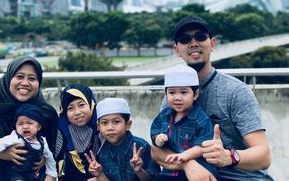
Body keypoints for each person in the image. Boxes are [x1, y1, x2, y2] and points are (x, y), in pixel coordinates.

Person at [153, 16, 273, 181]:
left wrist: (229, 157)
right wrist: (188, 164)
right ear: (176, 50)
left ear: (212, 43)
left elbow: (264, 156)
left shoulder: (236, 91)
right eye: (185, 39)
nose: (193, 43)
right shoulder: (172, 98)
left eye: (200, 37)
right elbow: (157, 150)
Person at [151, 64, 217, 180]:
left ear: (195, 94)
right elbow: (154, 132)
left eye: (183, 92)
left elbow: (203, 147)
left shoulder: (201, 119)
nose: (177, 97)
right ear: (166, 94)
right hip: (170, 170)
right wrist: (158, 139)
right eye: (172, 93)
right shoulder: (164, 115)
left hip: (198, 169)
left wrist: (185, 156)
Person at [0, 104, 57, 181]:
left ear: (39, 127)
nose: (25, 126)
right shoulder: (15, 137)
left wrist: (51, 175)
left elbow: (50, 159)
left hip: (33, 174)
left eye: (30, 123)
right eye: (20, 124)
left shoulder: (42, 142)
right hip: (16, 174)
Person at [86, 97, 160, 181]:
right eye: (104, 123)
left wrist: (139, 170)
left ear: (128, 125)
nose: (110, 128)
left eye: (116, 122)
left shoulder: (142, 147)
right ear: (98, 127)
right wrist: (99, 174)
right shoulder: (101, 152)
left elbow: (155, 178)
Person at [55, 83, 100, 181]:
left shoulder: (102, 131)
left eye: (81, 105)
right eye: (70, 108)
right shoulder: (60, 135)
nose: (77, 112)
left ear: (91, 104)